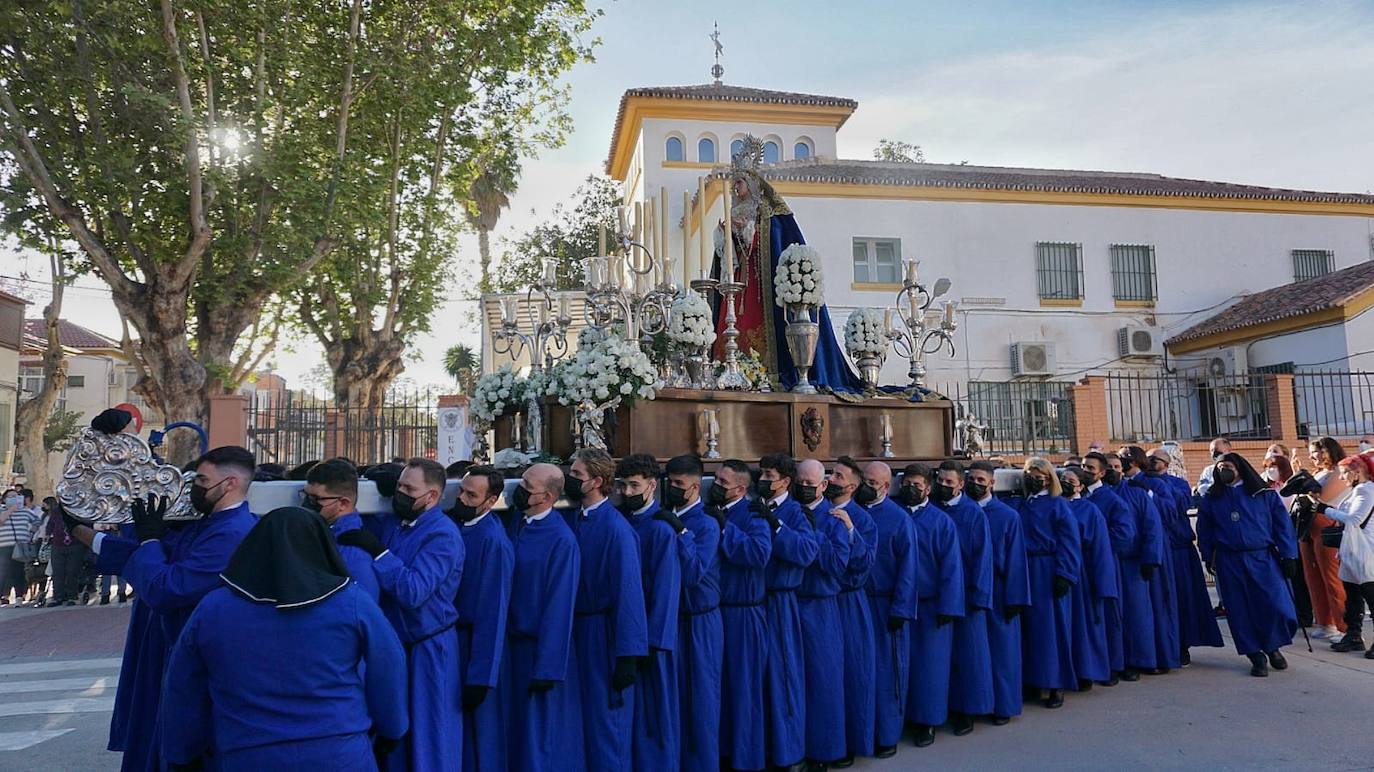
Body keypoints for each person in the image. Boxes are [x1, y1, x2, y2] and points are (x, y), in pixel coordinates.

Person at [161, 507, 408, 769]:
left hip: (248, 754)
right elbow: (389, 665)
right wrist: (392, 729)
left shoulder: (214, 607)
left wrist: (181, 752)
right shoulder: (352, 602)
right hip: (338, 752)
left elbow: (183, 683)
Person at [69, 443, 257, 772]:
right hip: (173, 647)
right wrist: (81, 530)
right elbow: (143, 554)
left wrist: (150, 541)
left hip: (200, 656)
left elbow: (166, 587)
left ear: (229, 484)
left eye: (201, 480)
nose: (195, 488)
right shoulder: (205, 524)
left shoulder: (232, 533)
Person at [339, 458, 464, 771]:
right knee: (394, 732)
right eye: (399, 487)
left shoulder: (443, 536)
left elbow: (414, 591)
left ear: (432, 497)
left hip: (429, 648)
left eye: (409, 489)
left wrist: (380, 553)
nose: (401, 494)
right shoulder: (400, 521)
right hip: (398, 645)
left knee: (430, 735)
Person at [562, 448, 648, 772]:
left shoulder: (617, 530)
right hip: (579, 631)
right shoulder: (574, 518)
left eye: (577, 476)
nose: (571, 481)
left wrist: (628, 654)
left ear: (597, 481)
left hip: (603, 635)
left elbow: (628, 593)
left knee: (606, 723)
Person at [504, 463, 582, 771]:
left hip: (539, 651)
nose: (519, 491)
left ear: (547, 496)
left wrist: (547, 668)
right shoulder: (518, 523)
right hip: (513, 643)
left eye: (527, 487)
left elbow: (559, 606)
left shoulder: (561, 540)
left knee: (541, 735)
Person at [616, 453, 691, 772]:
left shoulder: (660, 528)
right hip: (626, 631)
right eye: (623, 486)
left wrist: (651, 642)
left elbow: (666, 589)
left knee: (656, 712)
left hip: (650, 637)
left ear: (651, 486)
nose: (628, 492)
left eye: (635, 486)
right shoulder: (623, 520)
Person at [1196, 453, 1299, 676]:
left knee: (1272, 605)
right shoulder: (1213, 498)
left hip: (1262, 557)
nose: (1224, 470)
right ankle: (1255, 655)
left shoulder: (1263, 495)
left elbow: (1282, 526)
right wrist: (1208, 557)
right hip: (1228, 559)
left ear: (1240, 469)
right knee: (1239, 609)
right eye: (1220, 467)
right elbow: (1205, 531)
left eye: (1228, 466)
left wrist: (1289, 555)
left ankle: (1273, 647)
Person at [755, 453, 819, 770]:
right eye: (761, 474)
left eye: (770, 475)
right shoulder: (755, 507)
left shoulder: (796, 512)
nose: (763, 480)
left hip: (781, 602)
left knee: (785, 678)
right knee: (758, 681)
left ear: (785, 481)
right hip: (755, 603)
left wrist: (775, 526)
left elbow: (806, 551)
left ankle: (790, 754)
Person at [450, 465, 514, 772]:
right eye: (461, 491)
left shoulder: (494, 541)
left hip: (475, 645)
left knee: (482, 736)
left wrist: (481, 677)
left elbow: (493, 612)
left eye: (471, 495)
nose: (462, 498)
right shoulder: (459, 526)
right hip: (454, 640)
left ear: (490, 502)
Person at [712, 460, 773, 771]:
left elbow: (758, 554)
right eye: (716, 480)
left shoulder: (752, 515)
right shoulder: (712, 512)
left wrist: (725, 528)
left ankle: (747, 758)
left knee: (744, 688)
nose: (718, 486)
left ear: (741, 488)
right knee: (719, 688)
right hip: (716, 613)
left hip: (745, 613)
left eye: (724, 482)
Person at [662, 454, 722, 772]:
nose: (671, 488)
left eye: (678, 484)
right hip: (673, 620)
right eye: (669, 482)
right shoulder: (664, 515)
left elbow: (694, 572)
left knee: (702, 699)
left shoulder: (706, 524)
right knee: (674, 699)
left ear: (695, 487)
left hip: (700, 620)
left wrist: (682, 534)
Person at [899, 465, 963, 748]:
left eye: (917, 484)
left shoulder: (940, 521)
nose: (911, 489)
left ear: (927, 488)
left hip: (930, 604)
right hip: (900, 603)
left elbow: (951, 568)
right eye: (907, 484)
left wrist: (948, 606)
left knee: (930, 668)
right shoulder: (896, 514)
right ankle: (904, 718)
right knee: (903, 666)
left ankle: (928, 721)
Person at [793, 458, 852, 769]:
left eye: (809, 484)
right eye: (799, 483)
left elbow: (837, 564)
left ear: (824, 485)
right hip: (790, 604)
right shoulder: (789, 513)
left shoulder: (832, 520)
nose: (804, 489)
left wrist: (812, 535)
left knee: (824, 681)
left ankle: (824, 751)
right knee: (792, 681)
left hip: (820, 605)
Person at [931, 460, 994, 737]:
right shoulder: (932, 508)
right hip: (940, 593)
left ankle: (966, 711)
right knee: (940, 659)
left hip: (967, 594)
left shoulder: (973, 514)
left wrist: (979, 596)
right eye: (940, 481)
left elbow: (982, 558)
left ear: (960, 484)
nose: (944, 486)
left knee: (968, 657)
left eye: (949, 482)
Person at [861, 461, 918, 759]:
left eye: (872, 482)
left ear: (885, 486)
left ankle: (887, 734)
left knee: (887, 672)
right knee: (861, 672)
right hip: (858, 604)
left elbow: (908, 569)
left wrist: (901, 608)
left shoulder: (898, 519)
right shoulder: (854, 513)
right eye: (863, 480)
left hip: (885, 605)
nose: (866, 486)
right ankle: (862, 733)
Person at [965, 461, 1029, 724]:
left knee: (1003, 652)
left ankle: (1004, 705)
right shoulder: (962, 511)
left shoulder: (1007, 516)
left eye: (981, 479)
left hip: (1001, 588)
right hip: (971, 587)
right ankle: (977, 704)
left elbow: (1016, 559)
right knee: (975, 652)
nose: (975, 483)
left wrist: (1016, 597)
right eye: (971, 478)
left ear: (991, 483)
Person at [1015, 459, 1082, 709]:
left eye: (1040, 474)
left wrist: (1065, 574)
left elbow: (1069, 542)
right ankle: (1035, 680)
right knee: (1030, 629)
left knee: (1052, 630)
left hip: (1047, 569)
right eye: (1030, 474)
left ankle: (1056, 684)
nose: (1035, 478)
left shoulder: (1058, 505)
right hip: (1025, 569)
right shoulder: (1022, 505)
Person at [1147, 447, 1223, 664]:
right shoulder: (1138, 482)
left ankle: (1183, 644)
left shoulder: (1177, 484)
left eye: (1156, 459)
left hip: (1178, 549)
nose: (1152, 463)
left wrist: (1156, 487)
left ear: (1167, 463)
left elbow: (1180, 505)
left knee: (1184, 598)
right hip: (1155, 549)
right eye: (1149, 459)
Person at [827, 456, 877, 763]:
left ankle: (853, 742)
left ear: (853, 486)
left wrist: (848, 532)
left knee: (854, 673)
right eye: (831, 473)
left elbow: (865, 562)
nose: (832, 479)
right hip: (822, 602)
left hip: (849, 601)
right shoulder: (819, 510)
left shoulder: (861, 518)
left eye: (839, 475)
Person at [1103, 452, 1170, 677]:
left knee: (1137, 614)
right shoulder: (1095, 497)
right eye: (1108, 466)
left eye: (1116, 465)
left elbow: (1152, 528)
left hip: (1133, 563)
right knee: (1112, 616)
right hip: (1107, 563)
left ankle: (1140, 660)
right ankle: (1116, 663)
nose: (1112, 469)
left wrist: (1150, 558)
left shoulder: (1137, 494)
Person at [1117, 446, 1180, 674]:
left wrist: (1149, 494)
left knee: (1159, 605)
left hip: (1153, 548)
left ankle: (1162, 656)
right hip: (1131, 553)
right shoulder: (1118, 485)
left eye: (1124, 458)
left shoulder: (1154, 482)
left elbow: (1171, 511)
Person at [1081, 452, 1140, 683]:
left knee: (1109, 614)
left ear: (1102, 473)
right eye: (1083, 466)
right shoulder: (1078, 495)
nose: (1085, 471)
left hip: (1104, 562)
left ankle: (1114, 664)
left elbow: (1126, 533)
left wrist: (1098, 544)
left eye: (1090, 468)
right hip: (1081, 564)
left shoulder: (1112, 500)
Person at [1311, 454, 1374, 657]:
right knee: (1353, 598)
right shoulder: (1356, 490)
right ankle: (1353, 636)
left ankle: (1355, 636)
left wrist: (1324, 510)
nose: (1342, 477)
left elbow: (1354, 519)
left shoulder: (1366, 490)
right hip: (1353, 550)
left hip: (1365, 551)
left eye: (1345, 472)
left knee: (1370, 596)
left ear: (1357, 472)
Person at [1062, 468, 1119, 689]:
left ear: (1080, 486)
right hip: (1061, 568)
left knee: (1085, 624)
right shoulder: (1055, 504)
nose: (1065, 483)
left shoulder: (1089, 510)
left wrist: (1102, 581)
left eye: (1070, 480)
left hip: (1083, 572)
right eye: (1062, 479)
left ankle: (1087, 671)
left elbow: (1100, 548)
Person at [304, 459, 380, 602]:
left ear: (343, 504)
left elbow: (364, 610)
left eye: (315, 499)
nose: (307, 503)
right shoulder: (321, 532)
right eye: (305, 495)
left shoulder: (353, 554)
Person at [1303, 437, 1349, 642]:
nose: (1317, 456)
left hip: (1328, 525)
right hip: (1307, 526)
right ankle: (1325, 621)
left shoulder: (1339, 471)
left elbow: (1324, 498)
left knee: (1332, 578)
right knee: (1313, 577)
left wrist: (1304, 490)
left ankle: (1344, 626)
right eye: (1313, 452)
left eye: (1321, 451)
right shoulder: (1318, 473)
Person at [0, 488, 41, 605]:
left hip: (20, 545)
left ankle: (19, 596)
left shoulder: (25, 511)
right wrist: (11, 509)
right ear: (4, 499)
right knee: (3, 572)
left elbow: (37, 521)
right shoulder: (1, 510)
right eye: (11, 497)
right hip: (4, 546)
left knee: (19, 571)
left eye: (16, 496)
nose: (14, 499)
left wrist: (30, 533)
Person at [47, 499, 89, 606]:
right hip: (58, 545)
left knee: (72, 572)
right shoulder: (56, 511)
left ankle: (72, 596)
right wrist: (47, 535)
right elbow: (50, 525)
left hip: (75, 545)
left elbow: (87, 526)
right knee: (57, 573)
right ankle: (58, 597)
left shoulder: (79, 510)